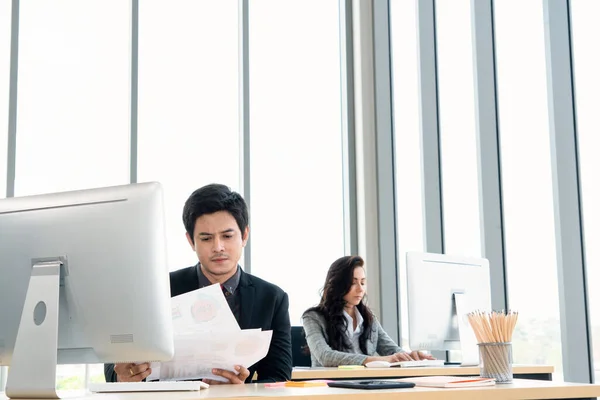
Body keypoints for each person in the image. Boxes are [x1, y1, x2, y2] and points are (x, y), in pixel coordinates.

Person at [104, 184, 293, 384]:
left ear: (244, 235)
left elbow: (278, 378)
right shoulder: (158, 290)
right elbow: (114, 366)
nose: (218, 247)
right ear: (191, 241)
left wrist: (242, 388)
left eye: (227, 236)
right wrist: (122, 375)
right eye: (206, 238)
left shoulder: (272, 298)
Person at [302, 255, 434, 367]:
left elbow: (392, 351)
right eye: (353, 283)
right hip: (329, 387)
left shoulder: (368, 318)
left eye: (363, 283)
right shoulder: (313, 317)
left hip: (366, 384)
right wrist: (375, 360)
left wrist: (412, 357)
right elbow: (325, 356)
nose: (360, 289)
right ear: (337, 284)